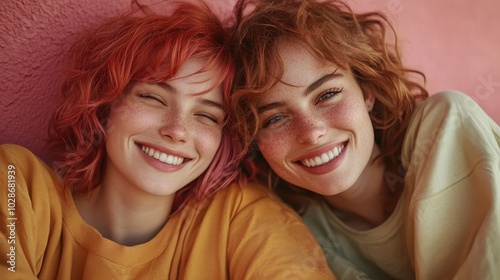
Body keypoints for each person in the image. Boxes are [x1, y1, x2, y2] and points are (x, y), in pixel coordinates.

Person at [0, 1, 336, 279]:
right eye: (153, 98)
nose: (177, 130)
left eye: (206, 115)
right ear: (106, 104)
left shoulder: (239, 215)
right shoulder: (17, 183)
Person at [230, 0, 500, 279]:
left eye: (326, 95)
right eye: (274, 119)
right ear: (254, 141)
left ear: (367, 90)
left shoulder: (443, 127)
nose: (311, 132)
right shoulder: (294, 229)